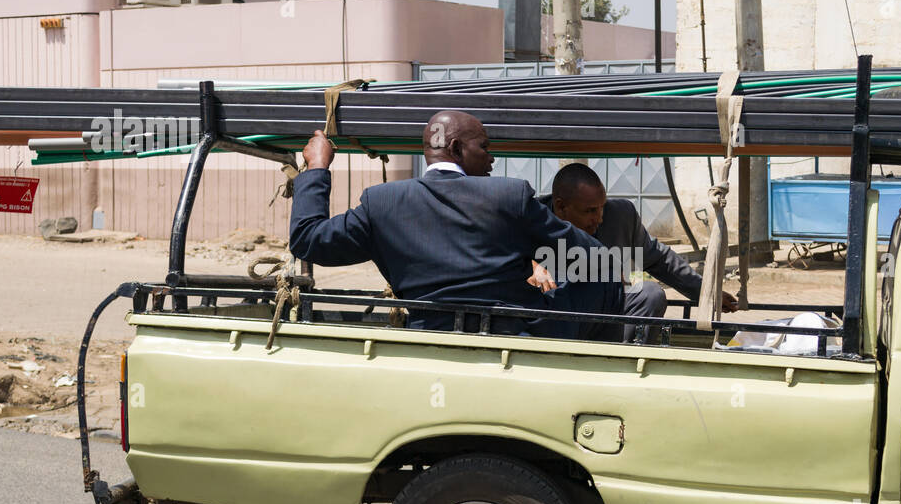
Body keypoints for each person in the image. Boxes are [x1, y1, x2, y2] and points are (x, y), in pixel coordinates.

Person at [289, 111, 622, 336]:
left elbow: (308, 240)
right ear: (456, 147)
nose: (492, 158)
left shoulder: (382, 203)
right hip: (518, 334)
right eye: (485, 147)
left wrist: (317, 167)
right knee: (605, 272)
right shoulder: (509, 195)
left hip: (428, 331)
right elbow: (592, 256)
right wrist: (541, 262)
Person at [534, 163, 738, 326]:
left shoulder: (622, 216)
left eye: (601, 208)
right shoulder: (531, 218)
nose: (599, 218)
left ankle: (626, 360)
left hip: (607, 314)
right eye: (589, 211)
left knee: (651, 293)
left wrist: (706, 292)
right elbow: (505, 254)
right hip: (557, 316)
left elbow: (659, 259)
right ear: (560, 206)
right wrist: (532, 267)